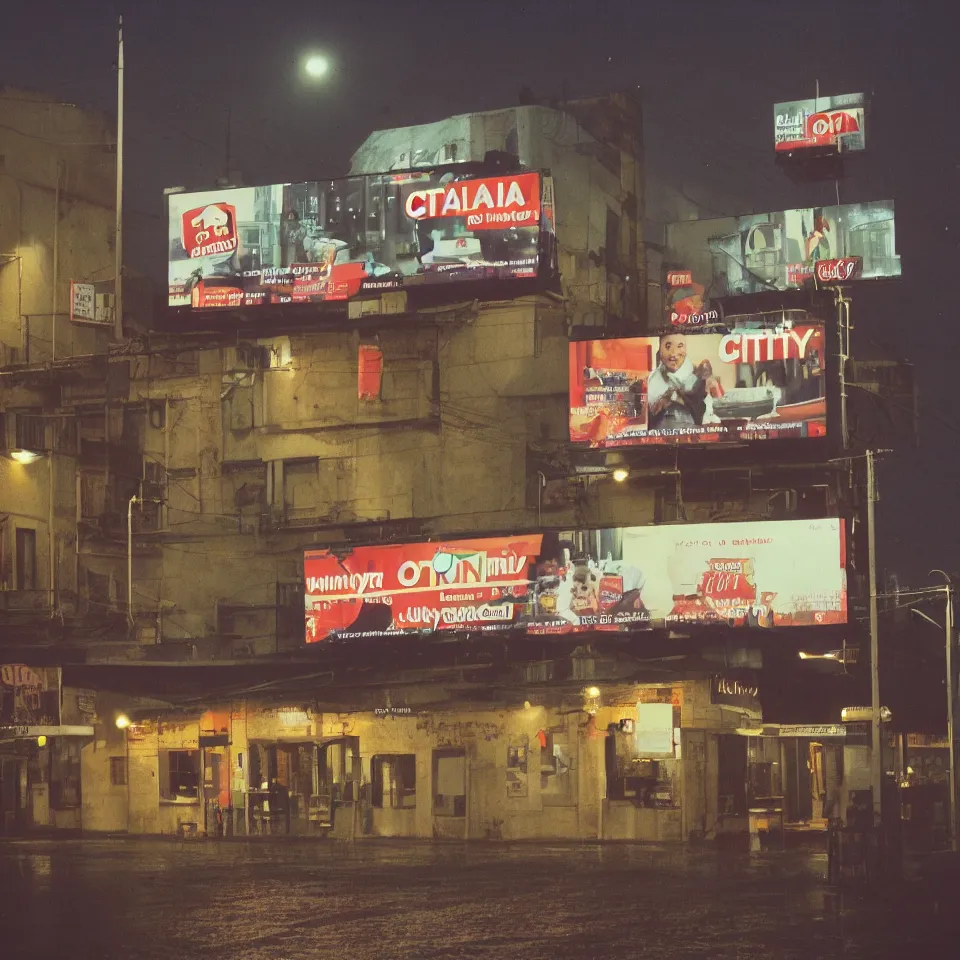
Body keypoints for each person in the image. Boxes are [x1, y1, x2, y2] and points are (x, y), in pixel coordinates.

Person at [645, 334, 715, 431]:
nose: (674, 353)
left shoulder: (697, 376)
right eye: (668, 347)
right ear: (660, 350)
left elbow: (705, 412)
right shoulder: (653, 380)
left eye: (680, 346)